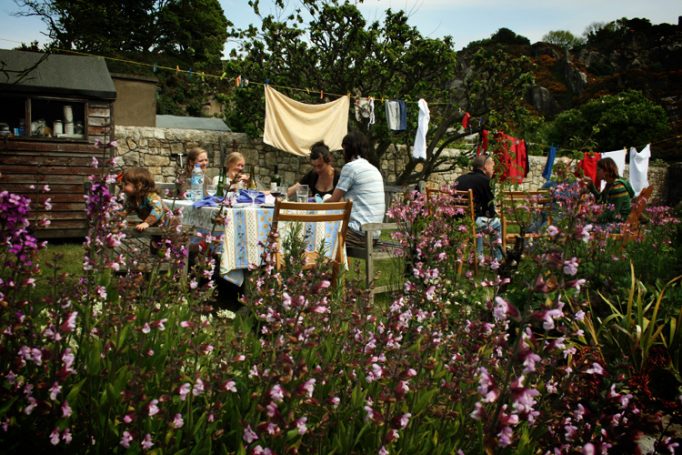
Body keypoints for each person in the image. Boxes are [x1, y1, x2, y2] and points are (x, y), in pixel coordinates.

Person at [326, 131, 385, 246]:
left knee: (320, 233)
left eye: (343, 149)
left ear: (348, 149)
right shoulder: (372, 168)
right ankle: (339, 264)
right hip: (374, 235)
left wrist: (317, 204)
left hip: (358, 235)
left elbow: (334, 200)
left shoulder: (351, 168)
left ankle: (320, 264)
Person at [455, 155, 503, 260]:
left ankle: (479, 257)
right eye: (492, 167)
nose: (494, 170)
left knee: (480, 222)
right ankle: (498, 259)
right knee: (497, 223)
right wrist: (494, 213)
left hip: (455, 221)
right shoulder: (485, 181)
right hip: (471, 223)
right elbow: (489, 208)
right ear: (485, 166)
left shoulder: (460, 178)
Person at [585, 157, 634, 223]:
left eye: (598, 170)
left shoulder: (618, 187)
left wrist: (592, 219)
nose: (596, 172)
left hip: (620, 223)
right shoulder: (609, 185)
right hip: (613, 220)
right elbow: (600, 199)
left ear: (606, 171)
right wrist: (592, 187)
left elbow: (612, 214)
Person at [120, 167, 167, 231]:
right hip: (154, 226)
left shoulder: (151, 196)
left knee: (165, 240)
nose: (123, 187)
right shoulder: (133, 198)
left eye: (126, 184)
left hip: (166, 225)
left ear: (139, 185)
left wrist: (147, 223)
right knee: (156, 239)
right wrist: (118, 221)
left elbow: (158, 209)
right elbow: (125, 210)